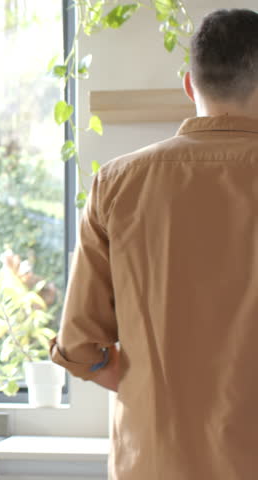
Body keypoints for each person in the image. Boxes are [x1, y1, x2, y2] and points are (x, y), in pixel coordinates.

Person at [50, 8, 258, 480]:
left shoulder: (117, 184)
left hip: (156, 464)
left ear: (189, 85)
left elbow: (79, 346)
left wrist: (152, 387)